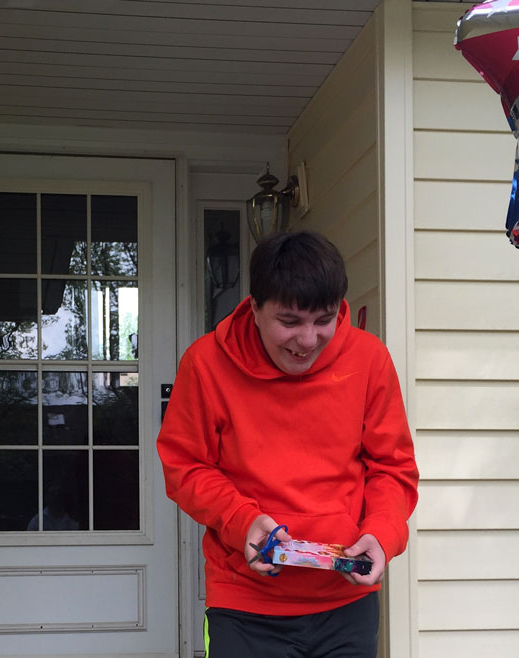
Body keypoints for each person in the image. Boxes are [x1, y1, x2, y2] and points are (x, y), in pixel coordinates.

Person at [157, 231, 419, 657]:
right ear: (255, 308)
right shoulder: (205, 364)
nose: (308, 339)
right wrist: (242, 519)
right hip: (244, 600)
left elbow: (393, 467)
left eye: (324, 319)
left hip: (345, 601)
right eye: (290, 321)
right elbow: (184, 466)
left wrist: (382, 533)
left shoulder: (369, 360)